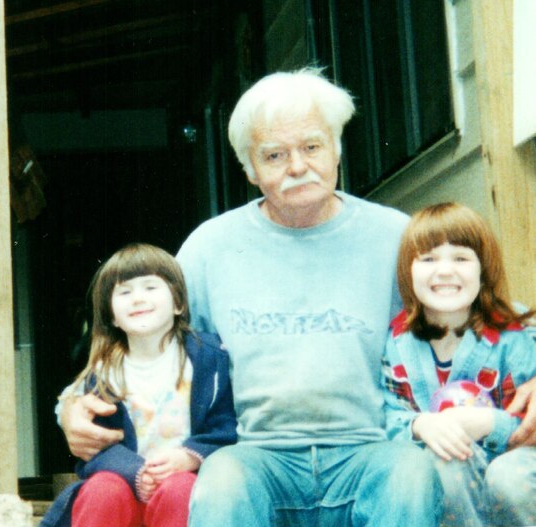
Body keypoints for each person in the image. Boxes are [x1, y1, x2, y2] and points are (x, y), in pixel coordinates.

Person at [58, 68, 536, 526]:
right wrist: (70, 408)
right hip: (254, 454)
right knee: (219, 485)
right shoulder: (211, 247)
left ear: (336, 150)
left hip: (370, 449)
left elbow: (486, 310)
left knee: (413, 474)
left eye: (312, 146)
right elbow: (137, 336)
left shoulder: (396, 237)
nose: (298, 167)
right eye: (274, 155)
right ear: (249, 170)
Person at [43, 243, 237, 527]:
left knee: (180, 488)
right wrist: (135, 473)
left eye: (150, 287)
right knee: (101, 489)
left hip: (186, 487)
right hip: (126, 490)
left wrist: (190, 457)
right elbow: (95, 449)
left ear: (179, 304)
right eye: (124, 292)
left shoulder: (209, 358)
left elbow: (226, 427)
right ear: (112, 316)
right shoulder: (104, 373)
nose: (137, 299)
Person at [382, 202, 536, 526]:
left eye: (461, 258)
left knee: (509, 477)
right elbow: (380, 412)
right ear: (408, 272)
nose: (445, 270)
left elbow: (530, 419)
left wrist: (490, 423)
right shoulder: (394, 345)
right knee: (443, 461)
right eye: (428, 259)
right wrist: (418, 425)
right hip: (451, 479)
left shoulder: (513, 335)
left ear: (483, 268)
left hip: (515, 463)